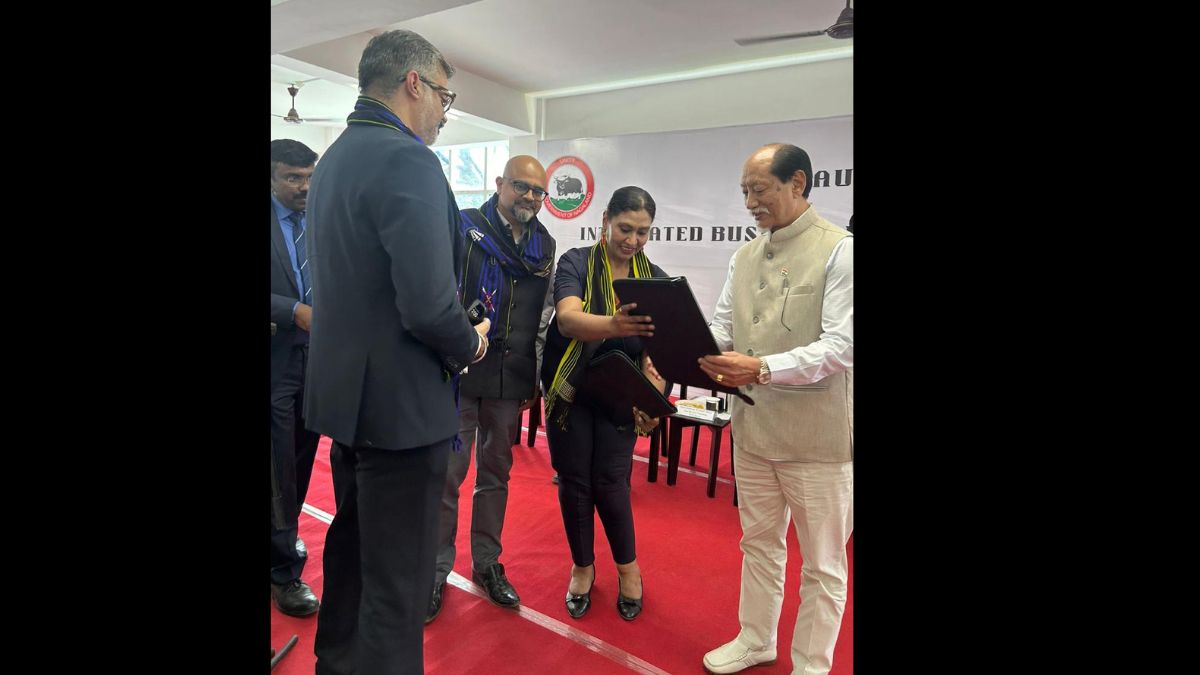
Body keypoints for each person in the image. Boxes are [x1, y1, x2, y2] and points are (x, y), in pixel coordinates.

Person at [302, 29, 491, 675]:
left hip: (351, 402)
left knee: (354, 554)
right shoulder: (407, 159)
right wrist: (471, 344)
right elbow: (429, 306)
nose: (444, 112)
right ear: (414, 83)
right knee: (397, 580)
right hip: (402, 409)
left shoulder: (336, 158)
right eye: (444, 96)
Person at [698, 143, 853, 675]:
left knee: (824, 565)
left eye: (759, 189)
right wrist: (692, 346)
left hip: (818, 439)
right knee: (759, 544)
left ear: (798, 183)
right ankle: (756, 638)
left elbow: (842, 347)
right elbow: (723, 325)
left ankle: (811, 666)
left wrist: (762, 368)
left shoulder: (840, 251)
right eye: (745, 191)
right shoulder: (743, 256)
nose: (749, 202)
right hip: (754, 429)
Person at [427, 156, 558, 622]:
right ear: (500, 183)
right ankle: (435, 571)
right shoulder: (464, 227)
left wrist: (533, 375)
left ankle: (487, 563)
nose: (529, 197)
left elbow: (541, 318)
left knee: (496, 474)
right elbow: (439, 290)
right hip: (460, 371)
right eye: (521, 186)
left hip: (510, 376)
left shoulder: (545, 244)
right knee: (448, 474)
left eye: (538, 192)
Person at [540, 186, 669, 622]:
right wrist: (615, 325)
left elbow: (657, 352)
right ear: (605, 223)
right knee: (575, 482)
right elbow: (568, 319)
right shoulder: (575, 262)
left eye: (642, 232)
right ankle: (582, 566)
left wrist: (653, 392)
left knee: (612, 482)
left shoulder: (654, 279)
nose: (632, 240)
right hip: (571, 391)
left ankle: (628, 569)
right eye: (625, 228)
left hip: (620, 398)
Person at [269, 138, 321, 618]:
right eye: (293, 178)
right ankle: (284, 571)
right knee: (279, 465)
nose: (304, 187)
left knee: (303, 458)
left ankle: (283, 536)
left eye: (309, 177)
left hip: (320, 362)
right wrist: (293, 311)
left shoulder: (321, 221)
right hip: (276, 361)